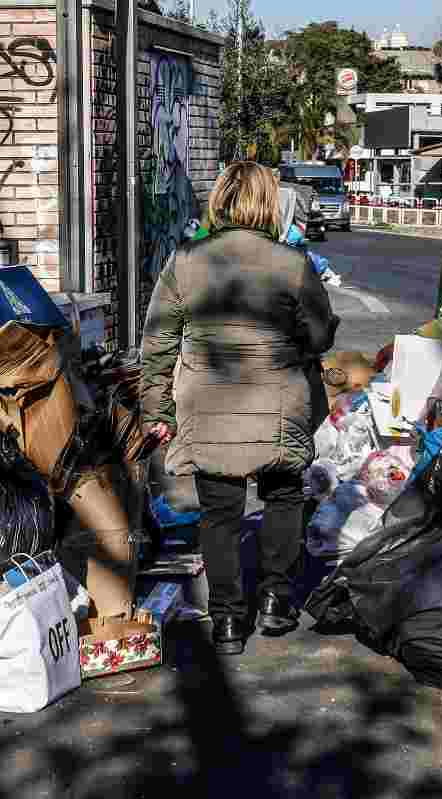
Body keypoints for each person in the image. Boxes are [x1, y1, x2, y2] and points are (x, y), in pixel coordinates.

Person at [139, 161, 340, 655]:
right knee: (283, 497)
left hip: (208, 406)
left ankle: (228, 621)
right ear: (269, 203)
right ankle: (275, 598)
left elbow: (158, 342)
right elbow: (318, 335)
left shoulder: (186, 260)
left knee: (220, 513)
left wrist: (156, 411)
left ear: (221, 199)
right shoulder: (293, 264)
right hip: (280, 406)